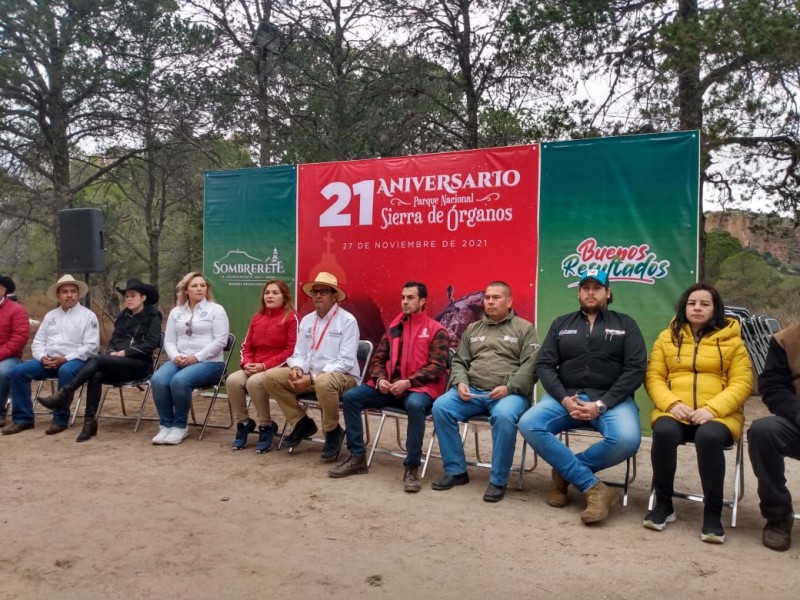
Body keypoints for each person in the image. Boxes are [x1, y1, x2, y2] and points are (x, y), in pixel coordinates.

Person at [518, 268, 646, 524]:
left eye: (596, 288)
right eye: (585, 288)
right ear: (578, 293)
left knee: (628, 439)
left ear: (608, 293)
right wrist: (564, 399)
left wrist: (601, 404)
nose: (590, 292)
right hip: (566, 397)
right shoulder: (561, 324)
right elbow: (544, 365)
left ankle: (564, 474)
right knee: (529, 423)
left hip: (610, 400)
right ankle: (593, 487)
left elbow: (636, 369)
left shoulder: (625, 324)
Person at [644, 283, 752, 544]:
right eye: (692, 303)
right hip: (676, 411)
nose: (697, 308)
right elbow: (654, 376)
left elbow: (743, 382)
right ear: (684, 306)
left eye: (705, 304)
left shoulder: (733, 341)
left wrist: (711, 410)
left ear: (715, 309)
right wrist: (671, 404)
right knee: (664, 431)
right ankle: (664, 504)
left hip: (718, 414)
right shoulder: (666, 337)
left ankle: (712, 514)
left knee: (708, 438)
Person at [328, 281, 450, 492]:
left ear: (422, 301)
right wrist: (380, 380)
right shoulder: (394, 327)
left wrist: (408, 382)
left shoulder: (436, 330)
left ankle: (412, 467)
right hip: (391, 387)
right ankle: (357, 457)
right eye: (403, 297)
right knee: (351, 398)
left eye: (410, 298)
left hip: (418, 389)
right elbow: (378, 359)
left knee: (415, 406)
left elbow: (437, 367)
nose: (404, 302)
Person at [430, 281, 539, 503]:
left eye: (496, 297)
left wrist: (509, 387)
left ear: (509, 301)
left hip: (509, 395)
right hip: (473, 391)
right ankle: (456, 471)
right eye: (487, 297)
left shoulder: (525, 328)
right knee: (441, 407)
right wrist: (459, 382)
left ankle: (498, 480)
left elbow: (532, 365)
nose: (490, 301)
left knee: (504, 416)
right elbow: (460, 361)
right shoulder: (473, 329)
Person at [37, 278, 162, 442]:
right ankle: (89, 423)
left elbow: (152, 343)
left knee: (97, 360)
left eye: (133, 295)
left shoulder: (153, 315)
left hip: (139, 364)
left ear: (143, 298)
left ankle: (65, 392)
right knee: (96, 374)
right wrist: (111, 351)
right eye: (127, 296)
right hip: (117, 363)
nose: (129, 299)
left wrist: (124, 353)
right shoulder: (123, 316)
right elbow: (112, 341)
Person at [264, 272, 359, 462]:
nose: (317, 296)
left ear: (334, 296)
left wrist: (313, 378)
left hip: (343, 377)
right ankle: (301, 422)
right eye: (314, 292)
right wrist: (298, 368)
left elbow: (345, 361)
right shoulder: (307, 320)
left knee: (323, 382)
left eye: (323, 292)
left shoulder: (348, 321)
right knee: (270, 377)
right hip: (311, 375)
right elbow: (299, 353)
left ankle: (332, 430)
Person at [2, 274, 99, 435]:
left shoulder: (88, 316)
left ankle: (60, 419)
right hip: (48, 360)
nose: (69, 295)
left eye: (73, 291)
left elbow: (91, 347)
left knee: (66, 371)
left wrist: (65, 359)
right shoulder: (50, 316)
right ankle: (23, 419)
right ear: (58, 295)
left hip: (75, 360)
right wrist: (42, 357)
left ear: (78, 294)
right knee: (17, 372)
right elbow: (38, 342)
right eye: (65, 292)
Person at [150, 272, 229, 446]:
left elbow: (221, 341)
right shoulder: (176, 312)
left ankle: (180, 426)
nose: (199, 288)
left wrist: (196, 357)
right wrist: (175, 356)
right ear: (186, 290)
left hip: (210, 363)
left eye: (203, 285)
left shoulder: (216, 310)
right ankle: (166, 424)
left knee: (179, 380)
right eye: (194, 286)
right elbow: (169, 341)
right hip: (181, 359)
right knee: (157, 379)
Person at [227, 279, 298, 453]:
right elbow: (247, 345)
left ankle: (266, 426)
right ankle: (244, 423)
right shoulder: (257, 317)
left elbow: (292, 351)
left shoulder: (291, 317)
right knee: (232, 380)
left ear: (284, 297)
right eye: (267, 293)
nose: (270, 296)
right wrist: (247, 363)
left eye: (275, 293)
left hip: (279, 368)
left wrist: (264, 366)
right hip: (255, 365)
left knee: (254, 382)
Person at [748, 323, 800, 551]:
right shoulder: (786, 339)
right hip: (797, 422)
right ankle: (778, 517)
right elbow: (772, 386)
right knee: (763, 432)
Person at [0, 275, 30, 428]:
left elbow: (19, 339)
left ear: (3, 289)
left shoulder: (16, 310)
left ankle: (0, 413)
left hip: (10, 356)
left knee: (3, 371)